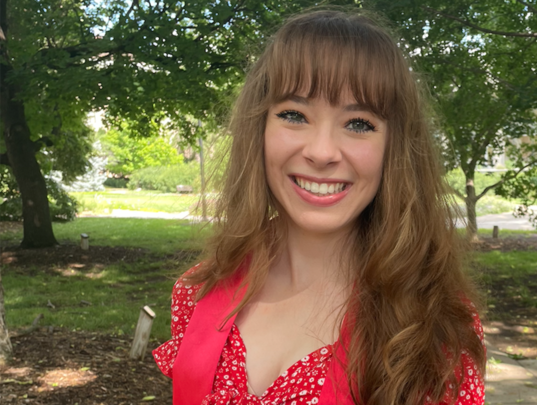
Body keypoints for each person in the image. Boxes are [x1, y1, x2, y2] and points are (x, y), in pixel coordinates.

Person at [153, 9, 486, 405]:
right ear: (258, 128)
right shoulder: (196, 291)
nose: (322, 152)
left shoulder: (436, 327)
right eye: (294, 115)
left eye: (359, 123)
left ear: (394, 148)